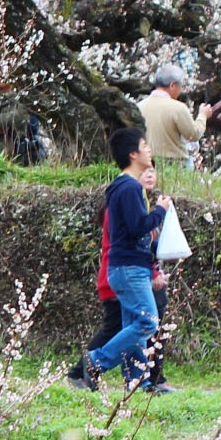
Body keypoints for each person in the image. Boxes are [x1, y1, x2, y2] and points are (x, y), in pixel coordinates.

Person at [68, 126, 169, 392]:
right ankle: (96, 361)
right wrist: (160, 210)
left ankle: (136, 380)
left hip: (124, 267)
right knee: (148, 322)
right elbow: (138, 228)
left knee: (132, 324)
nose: (149, 150)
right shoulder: (129, 188)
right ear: (134, 154)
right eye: (145, 146)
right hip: (130, 268)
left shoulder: (121, 187)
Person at [139, 63, 205, 174]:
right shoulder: (178, 108)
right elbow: (193, 134)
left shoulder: (139, 106)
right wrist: (203, 116)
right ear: (172, 86)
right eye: (181, 86)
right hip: (175, 165)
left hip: (147, 164)